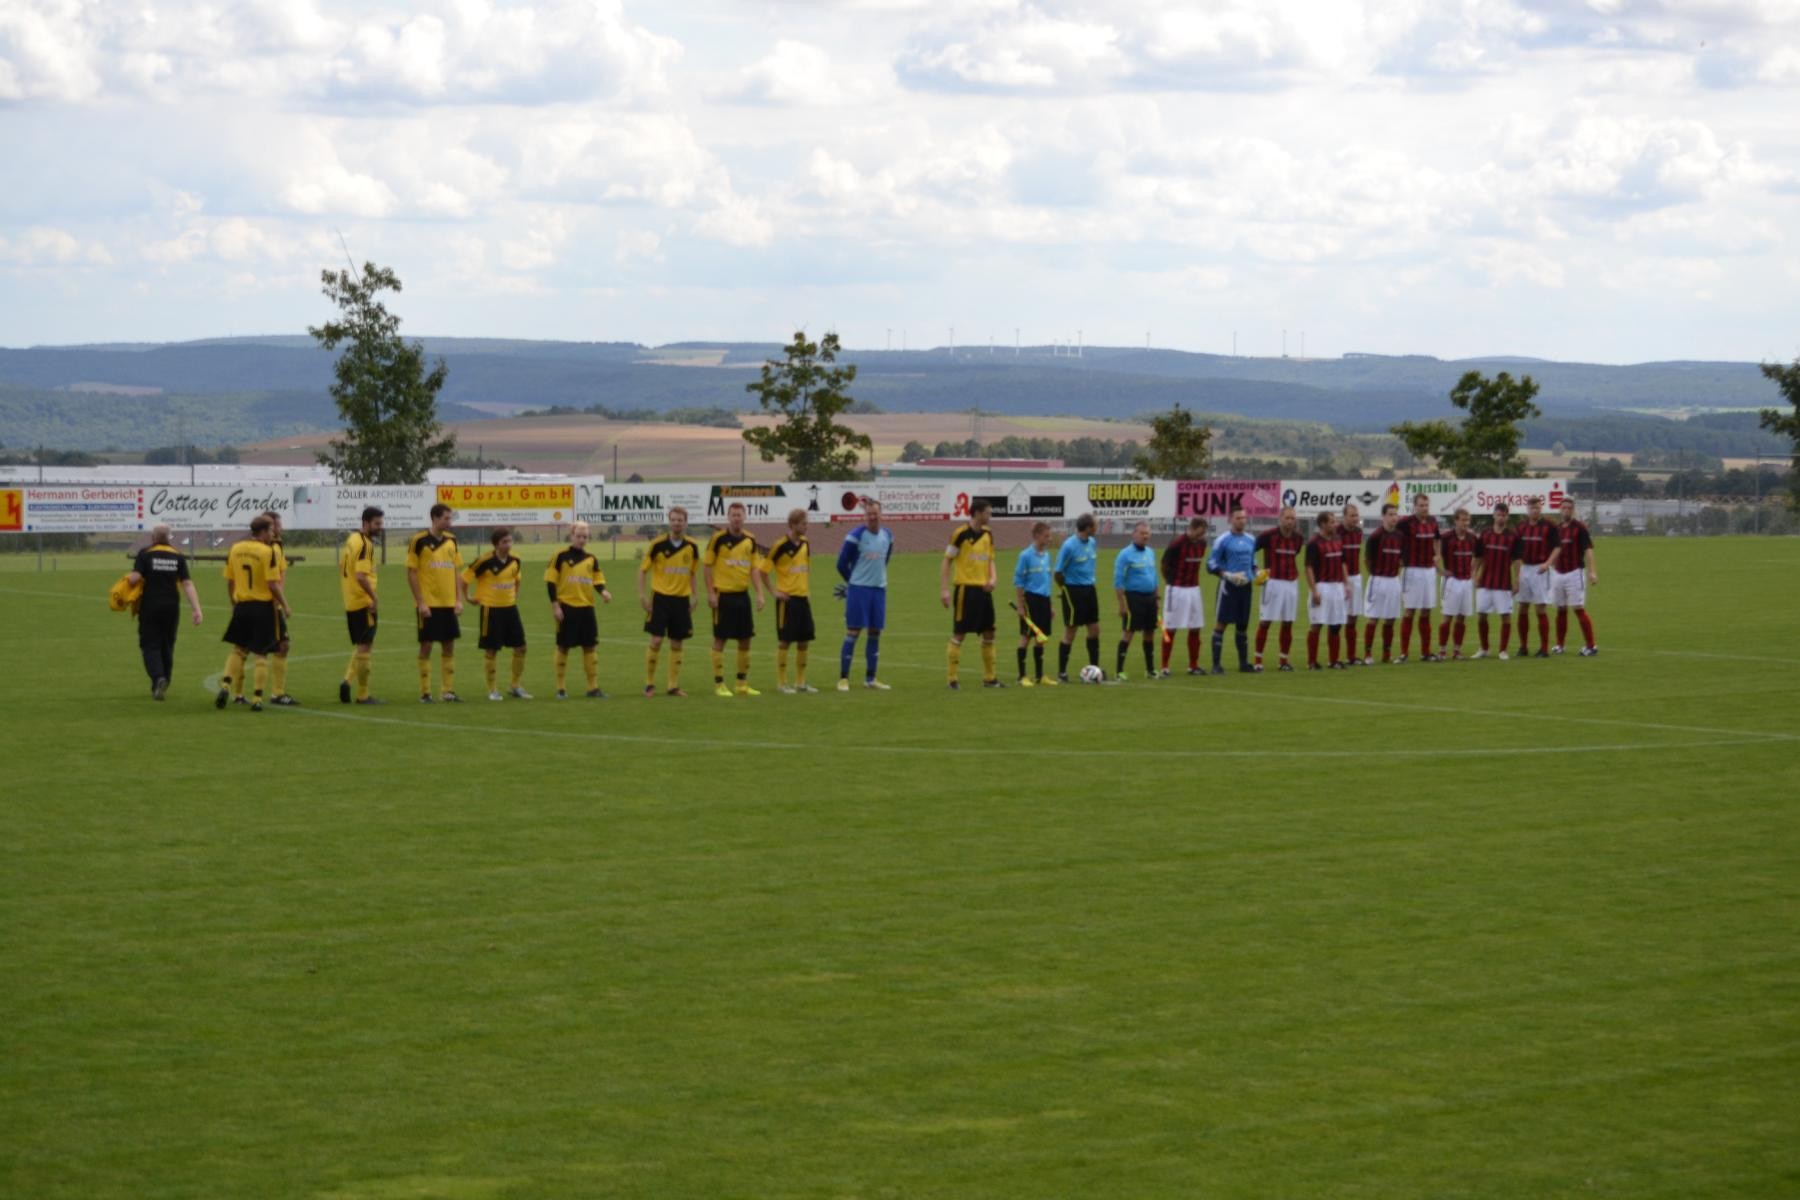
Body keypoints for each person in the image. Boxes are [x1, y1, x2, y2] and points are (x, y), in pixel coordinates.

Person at [215, 514, 288, 712]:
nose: (273, 533)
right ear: (263, 532)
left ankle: (225, 685)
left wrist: (233, 602)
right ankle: (257, 698)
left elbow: (230, 581)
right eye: (271, 530)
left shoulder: (236, 548)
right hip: (262, 607)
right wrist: (285, 604)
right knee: (261, 653)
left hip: (242, 605)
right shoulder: (267, 552)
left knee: (238, 649)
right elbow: (272, 584)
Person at [126, 523, 202, 699]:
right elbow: (187, 584)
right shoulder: (178, 556)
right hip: (171, 606)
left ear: (153, 538)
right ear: (170, 538)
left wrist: (127, 580)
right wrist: (196, 609)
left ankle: (157, 678)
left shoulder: (145, 554)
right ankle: (164, 680)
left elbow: (134, 579)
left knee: (150, 644)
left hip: (150, 605)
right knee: (167, 644)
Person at [704, 501, 767, 697]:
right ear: (728, 517)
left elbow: (754, 568)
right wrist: (711, 593)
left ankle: (741, 683)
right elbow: (707, 566)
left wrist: (759, 593)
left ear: (744, 517)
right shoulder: (718, 539)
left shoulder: (750, 540)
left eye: (739, 515)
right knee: (720, 638)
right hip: (723, 595)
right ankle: (719, 684)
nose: (736, 518)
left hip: (742, 596)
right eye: (733, 515)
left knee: (745, 640)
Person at [545, 521, 612, 698]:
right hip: (566, 607)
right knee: (563, 647)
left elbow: (597, 580)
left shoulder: (591, 558)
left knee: (590, 647)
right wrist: (555, 606)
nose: (582, 540)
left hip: (587, 608)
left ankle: (593, 688)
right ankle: (560, 688)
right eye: (578, 536)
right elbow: (551, 581)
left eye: (585, 537)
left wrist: (603, 592)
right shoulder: (559, 556)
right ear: (571, 535)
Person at [639, 506, 700, 697]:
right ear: (669, 521)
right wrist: (642, 595)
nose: (676, 523)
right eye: (673, 519)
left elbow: (692, 573)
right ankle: (649, 684)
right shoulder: (657, 544)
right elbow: (643, 570)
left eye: (680, 520)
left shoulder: (692, 546)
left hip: (682, 600)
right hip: (660, 599)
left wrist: (695, 595)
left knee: (677, 643)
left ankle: (673, 686)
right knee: (656, 640)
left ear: (685, 522)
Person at [407, 503, 464, 702]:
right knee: (426, 646)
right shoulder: (419, 541)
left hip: (448, 603)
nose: (449, 522)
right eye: (446, 518)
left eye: (450, 518)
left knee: (449, 645)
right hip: (429, 604)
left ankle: (447, 691)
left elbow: (456, 571)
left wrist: (458, 600)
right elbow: (412, 573)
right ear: (435, 518)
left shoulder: (452, 541)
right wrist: (421, 602)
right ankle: (425, 692)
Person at [464, 526, 529, 701]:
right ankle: (492, 689)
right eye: (504, 542)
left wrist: (514, 595)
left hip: (510, 609)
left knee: (521, 647)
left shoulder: (515, 560)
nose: (508, 545)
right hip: (490, 609)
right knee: (491, 650)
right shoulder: (484, 560)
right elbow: (464, 578)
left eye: (510, 541)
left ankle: (515, 686)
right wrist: (468, 597)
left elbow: (517, 580)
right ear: (496, 544)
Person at [941, 497, 1000, 689]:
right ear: (977, 513)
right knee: (959, 634)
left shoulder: (988, 534)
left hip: (984, 592)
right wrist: (944, 589)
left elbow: (990, 559)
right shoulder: (959, 534)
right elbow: (947, 560)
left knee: (989, 632)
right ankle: (952, 679)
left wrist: (993, 579)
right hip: (965, 591)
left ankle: (990, 678)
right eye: (988, 513)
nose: (990, 516)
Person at [836, 499, 894, 691]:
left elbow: (884, 560)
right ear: (864, 516)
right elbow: (841, 564)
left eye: (875, 513)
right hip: (859, 590)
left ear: (881, 515)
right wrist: (852, 584)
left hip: (878, 590)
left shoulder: (888, 536)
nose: (872, 517)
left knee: (875, 632)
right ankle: (843, 678)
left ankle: (870, 679)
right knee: (853, 632)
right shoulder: (856, 536)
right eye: (869, 514)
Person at [763, 508, 817, 694]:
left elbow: (806, 567)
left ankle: (800, 683)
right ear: (793, 525)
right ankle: (781, 683)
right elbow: (763, 570)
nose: (807, 526)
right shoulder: (780, 546)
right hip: (787, 601)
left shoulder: (805, 543)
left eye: (807, 523)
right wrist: (773, 592)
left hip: (803, 599)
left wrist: (806, 588)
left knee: (804, 641)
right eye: (804, 524)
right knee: (785, 641)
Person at [338, 505, 384, 704]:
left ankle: (347, 681)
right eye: (376, 524)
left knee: (362, 644)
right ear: (365, 523)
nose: (380, 527)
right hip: (363, 601)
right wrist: (374, 598)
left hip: (351, 599)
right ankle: (363, 694)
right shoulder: (365, 545)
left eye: (381, 523)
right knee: (366, 646)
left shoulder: (352, 539)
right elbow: (361, 576)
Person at [1206, 505, 1257, 674]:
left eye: (1244, 518)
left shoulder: (1251, 539)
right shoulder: (1222, 540)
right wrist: (1227, 575)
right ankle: (1216, 665)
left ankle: (1243, 664)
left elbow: (1253, 563)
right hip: (1228, 587)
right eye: (1238, 518)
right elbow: (1211, 563)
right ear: (1230, 520)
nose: (1242, 521)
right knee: (1222, 624)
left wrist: (1259, 573)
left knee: (1242, 626)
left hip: (1246, 587)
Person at [1052, 512, 1102, 683]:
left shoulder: (1093, 543)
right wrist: (1064, 589)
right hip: (1073, 591)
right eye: (1095, 525)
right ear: (1088, 527)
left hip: (1089, 590)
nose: (1097, 527)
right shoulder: (1069, 546)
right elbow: (1058, 572)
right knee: (1071, 631)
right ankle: (1062, 672)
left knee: (1094, 628)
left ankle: (1095, 669)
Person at [1252, 505, 1303, 671]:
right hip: (1272, 582)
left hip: (1291, 583)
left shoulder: (1298, 538)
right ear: (1280, 519)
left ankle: (1283, 661)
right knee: (1265, 622)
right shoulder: (1268, 536)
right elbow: (1250, 550)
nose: (1290, 521)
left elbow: (1294, 555)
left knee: (1288, 623)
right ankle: (1258, 661)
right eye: (1287, 518)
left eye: (1292, 518)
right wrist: (1256, 570)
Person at [1548, 498, 1599, 656]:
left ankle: (1591, 646)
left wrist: (1592, 571)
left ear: (1573, 510)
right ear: (1560, 509)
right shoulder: (1556, 529)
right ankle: (1560, 645)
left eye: (1569, 508)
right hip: (1557, 573)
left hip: (1574, 573)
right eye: (1564, 508)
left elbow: (1588, 550)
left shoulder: (1579, 528)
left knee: (1578, 608)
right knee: (1561, 609)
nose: (1567, 510)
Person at [1160, 517, 1209, 676]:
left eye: (1203, 534)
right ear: (1192, 528)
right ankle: (1164, 666)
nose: (1201, 536)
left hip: (1194, 589)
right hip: (1176, 589)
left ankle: (1193, 665)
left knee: (1195, 627)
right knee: (1170, 628)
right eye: (1199, 533)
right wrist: (1170, 581)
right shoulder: (1177, 543)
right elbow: (1163, 564)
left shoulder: (1202, 544)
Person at [1395, 492, 1440, 662]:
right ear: (1415, 506)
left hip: (1429, 570)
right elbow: (1394, 538)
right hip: (1411, 570)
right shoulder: (1405, 523)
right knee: (1409, 611)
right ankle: (1403, 653)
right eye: (1421, 505)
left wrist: (1438, 554)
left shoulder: (1433, 521)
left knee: (1426, 611)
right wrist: (1399, 558)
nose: (1424, 508)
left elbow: (1437, 539)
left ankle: (1425, 652)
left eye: (1426, 505)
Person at [1513, 495, 1560, 658]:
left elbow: (1557, 547)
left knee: (1540, 609)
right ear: (1527, 510)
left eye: (1538, 507)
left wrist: (1548, 563)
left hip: (1540, 569)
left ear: (1541, 508)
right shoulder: (1520, 527)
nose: (1535, 510)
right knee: (1523, 607)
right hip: (1524, 568)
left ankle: (1544, 648)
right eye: (1532, 508)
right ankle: (1523, 646)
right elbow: (1514, 549)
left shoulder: (1549, 526)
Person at [1304, 511, 1351, 670]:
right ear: (1323, 524)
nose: (1335, 524)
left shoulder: (1338, 540)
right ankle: (1311, 662)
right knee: (1317, 624)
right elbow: (1308, 567)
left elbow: (1343, 563)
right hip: (1322, 586)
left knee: (1336, 624)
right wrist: (1314, 590)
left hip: (1337, 586)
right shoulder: (1313, 543)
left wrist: (1346, 584)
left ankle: (1333, 661)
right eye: (1331, 522)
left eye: (1335, 521)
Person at [1113, 520, 1160, 681]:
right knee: (1128, 633)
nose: (1145, 536)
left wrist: (1157, 598)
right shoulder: (1125, 554)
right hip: (1133, 598)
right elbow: (1118, 581)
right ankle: (1119, 671)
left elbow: (1154, 576)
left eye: (1147, 533)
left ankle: (1150, 670)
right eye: (1142, 533)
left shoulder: (1150, 552)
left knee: (1150, 633)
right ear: (1134, 534)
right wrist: (1122, 604)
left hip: (1150, 598)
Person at [1012, 521, 1056, 687]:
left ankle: (1040, 675)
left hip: (1044, 600)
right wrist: (1021, 606)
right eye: (1046, 536)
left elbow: (1047, 581)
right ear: (1037, 536)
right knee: (1026, 637)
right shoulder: (1025, 556)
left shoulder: (1047, 556)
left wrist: (1050, 605)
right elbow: (1018, 582)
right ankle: (1022, 676)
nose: (1049, 539)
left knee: (1041, 638)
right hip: (1030, 600)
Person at [1472, 503, 1518, 660]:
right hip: (1485, 582)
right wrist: (1474, 574)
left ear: (1507, 516)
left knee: (1505, 616)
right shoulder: (1484, 534)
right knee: (1481, 615)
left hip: (1503, 583)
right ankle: (1484, 648)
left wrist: (1516, 580)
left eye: (1504, 515)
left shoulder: (1512, 537)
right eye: (1499, 514)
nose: (1501, 517)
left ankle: (1503, 650)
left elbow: (1517, 560)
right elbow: (1478, 556)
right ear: (1493, 515)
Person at [1362, 504, 1405, 664]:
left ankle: (1386, 654)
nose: (1394, 517)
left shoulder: (1400, 536)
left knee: (1391, 618)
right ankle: (1367, 654)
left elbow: (1401, 559)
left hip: (1394, 580)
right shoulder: (1376, 536)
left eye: (1396, 514)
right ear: (1383, 517)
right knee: (1373, 618)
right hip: (1378, 580)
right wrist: (1375, 574)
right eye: (1391, 514)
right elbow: (1367, 560)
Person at [1436, 507, 1478, 660]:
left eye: (1467, 520)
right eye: (1462, 520)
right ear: (1456, 521)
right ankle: (1442, 650)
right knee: (1447, 617)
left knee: (1462, 617)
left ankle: (1457, 651)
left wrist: (1474, 572)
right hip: (1451, 582)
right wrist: (1440, 571)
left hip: (1466, 582)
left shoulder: (1472, 538)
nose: (1465, 523)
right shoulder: (1446, 538)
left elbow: (1479, 557)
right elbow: (1434, 554)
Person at [1340, 502, 1365, 665]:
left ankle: (1351, 656)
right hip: (1340, 579)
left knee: (1353, 617)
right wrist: (1344, 580)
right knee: (1336, 619)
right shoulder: (1337, 532)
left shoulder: (1359, 532)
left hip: (1356, 577)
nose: (1355, 519)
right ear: (1344, 516)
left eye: (1357, 515)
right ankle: (1333, 658)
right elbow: (1339, 559)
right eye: (1352, 516)